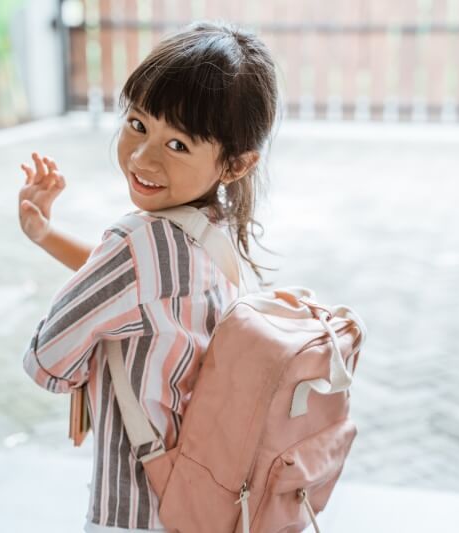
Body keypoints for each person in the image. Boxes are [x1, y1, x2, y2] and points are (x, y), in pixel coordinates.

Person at [18, 21, 279, 533]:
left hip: (134, 510)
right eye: (138, 123)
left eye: (178, 144)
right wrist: (45, 234)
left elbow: (47, 364)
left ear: (235, 163)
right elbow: (140, 288)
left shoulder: (137, 244)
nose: (142, 156)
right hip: (203, 498)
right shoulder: (216, 232)